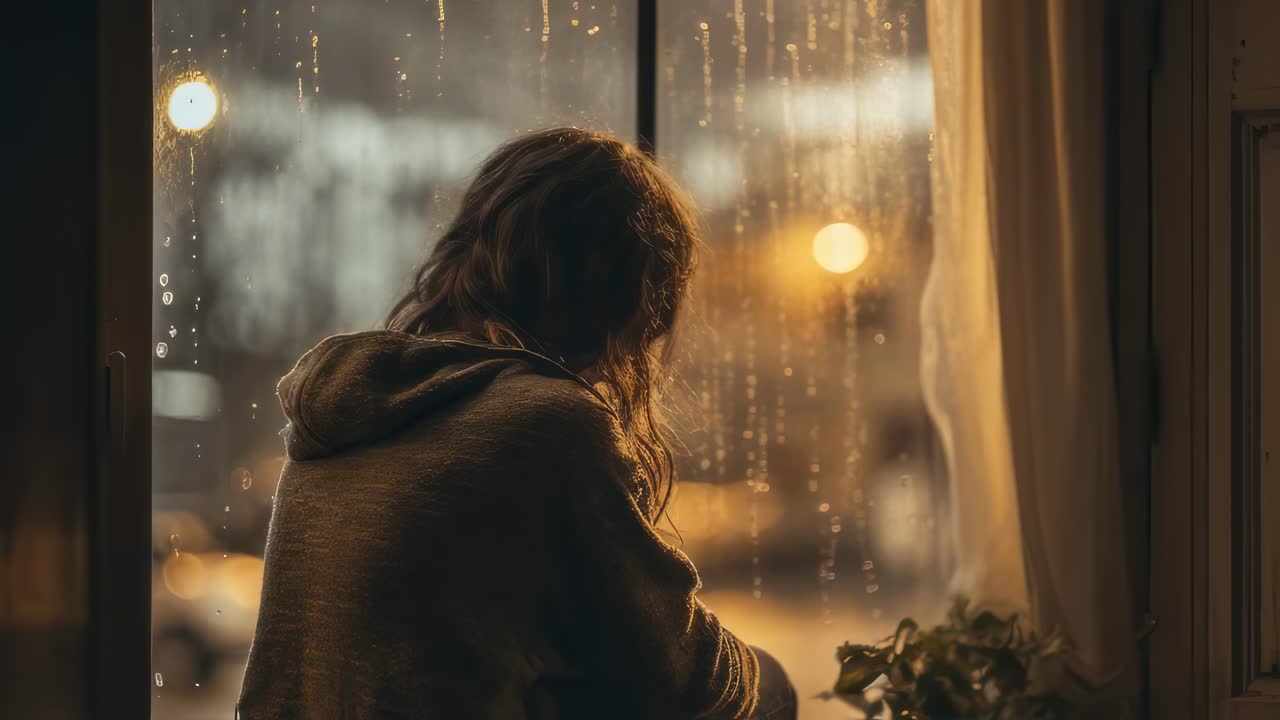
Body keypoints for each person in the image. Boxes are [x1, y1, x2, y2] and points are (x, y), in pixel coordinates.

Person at [237, 127, 797, 719]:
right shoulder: (548, 424)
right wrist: (766, 679)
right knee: (771, 691)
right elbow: (681, 678)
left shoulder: (346, 414)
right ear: (630, 295)